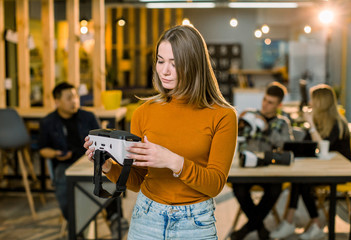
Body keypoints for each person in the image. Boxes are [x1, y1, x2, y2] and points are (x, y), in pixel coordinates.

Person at [84, 25, 237, 240]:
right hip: (147, 218)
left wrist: (173, 161)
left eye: (174, 64)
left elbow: (214, 185)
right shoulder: (143, 113)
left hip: (195, 223)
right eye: (160, 60)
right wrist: (108, 166)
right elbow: (137, 181)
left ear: (194, 65)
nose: (164, 71)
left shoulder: (223, 116)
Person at [270, 84, 351, 240]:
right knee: (299, 179)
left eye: (313, 99)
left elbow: (323, 148)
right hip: (323, 169)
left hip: (341, 171)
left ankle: (301, 223)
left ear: (321, 102)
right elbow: (307, 146)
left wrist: (311, 125)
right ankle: (301, 223)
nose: (310, 102)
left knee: (302, 182)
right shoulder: (319, 120)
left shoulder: (337, 123)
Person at [231, 81, 294, 240]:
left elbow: (287, 147)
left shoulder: (282, 122)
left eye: (270, 103)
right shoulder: (250, 115)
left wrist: (267, 129)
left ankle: (246, 229)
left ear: (279, 105)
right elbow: (234, 139)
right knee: (239, 188)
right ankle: (260, 227)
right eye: (265, 100)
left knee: (275, 189)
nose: (265, 105)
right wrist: (238, 124)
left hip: (269, 169)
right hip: (246, 167)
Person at [38, 82, 104, 220]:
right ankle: (76, 224)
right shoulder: (48, 122)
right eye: (69, 98)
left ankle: (115, 218)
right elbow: (43, 149)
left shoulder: (88, 116)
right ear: (57, 102)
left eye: (75, 97)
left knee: (110, 177)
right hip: (65, 163)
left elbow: (102, 141)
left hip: (90, 160)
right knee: (62, 184)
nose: (74, 101)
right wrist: (56, 154)